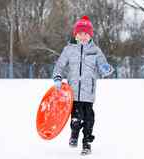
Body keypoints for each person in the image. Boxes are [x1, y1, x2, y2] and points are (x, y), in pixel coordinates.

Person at [53, 15, 114, 155]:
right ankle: (74, 133)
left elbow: (103, 66)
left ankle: (86, 142)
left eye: (86, 34)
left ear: (90, 35)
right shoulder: (69, 49)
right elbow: (59, 66)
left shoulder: (95, 50)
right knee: (75, 118)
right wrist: (57, 78)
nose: (83, 36)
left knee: (88, 119)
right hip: (72, 92)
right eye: (80, 33)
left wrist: (106, 69)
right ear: (75, 34)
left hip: (89, 92)